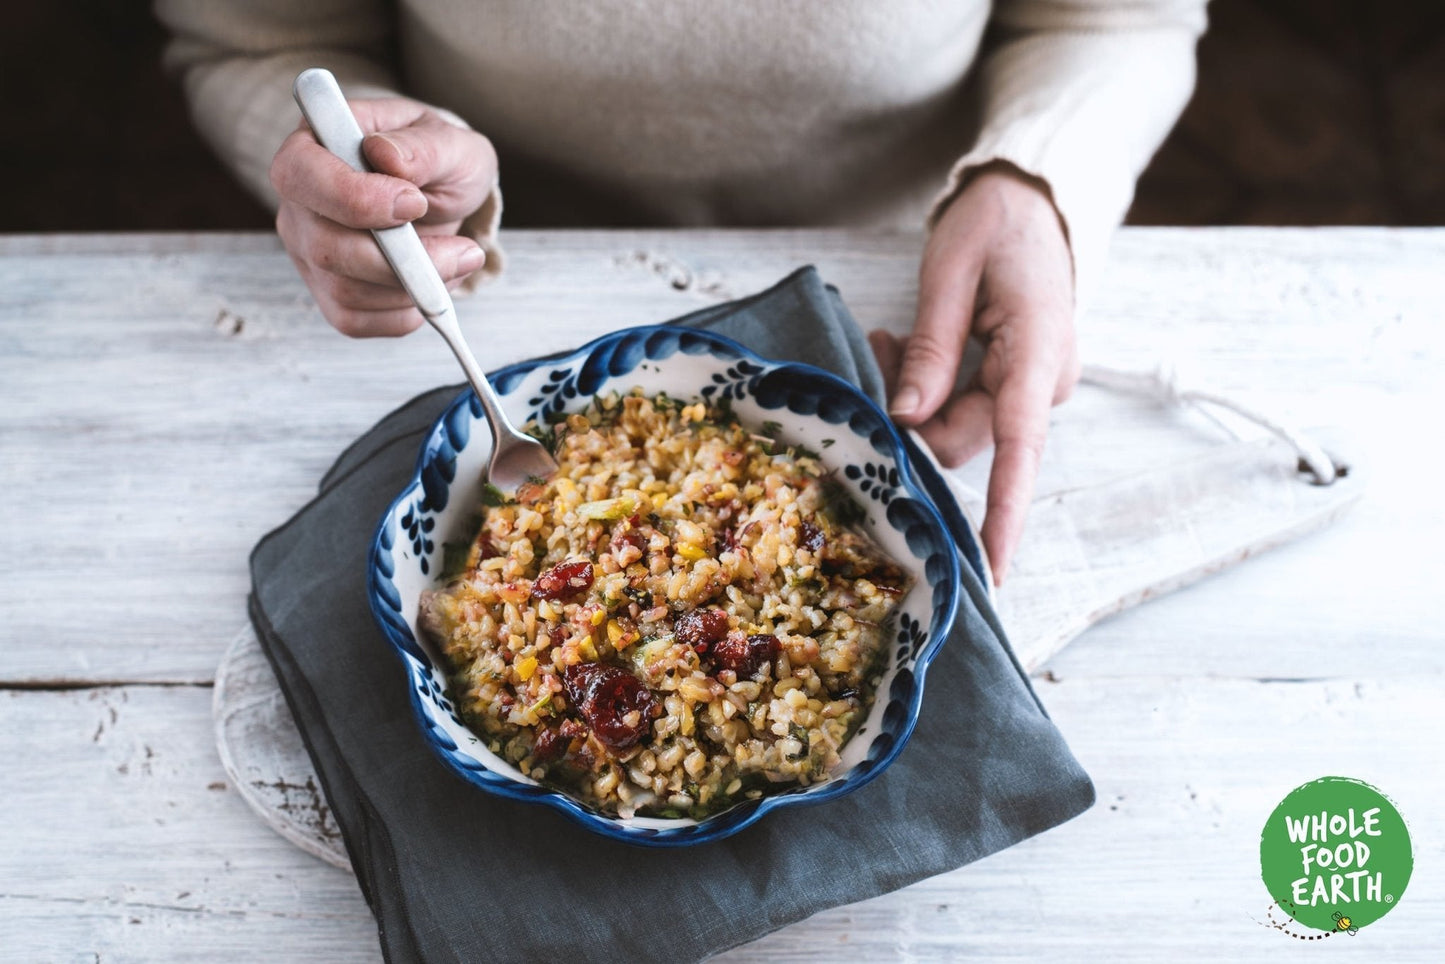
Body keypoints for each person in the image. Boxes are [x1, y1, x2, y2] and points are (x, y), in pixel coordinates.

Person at [157, 0, 1208, 585]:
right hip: (492, 270)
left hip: (896, 277)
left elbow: (1118, 19)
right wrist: (353, 173)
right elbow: (252, 42)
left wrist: (1035, 178)